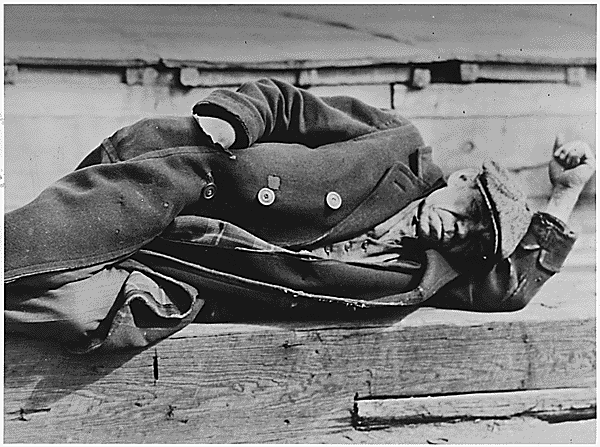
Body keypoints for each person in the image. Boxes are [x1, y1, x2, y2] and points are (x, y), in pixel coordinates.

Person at [5, 79, 595, 353]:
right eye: (468, 212)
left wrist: (565, 192)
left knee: (78, 312)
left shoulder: (422, 275)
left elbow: (509, 288)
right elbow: (288, 103)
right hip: (178, 180)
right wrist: (236, 120)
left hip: (188, 269)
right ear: (463, 180)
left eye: (473, 238)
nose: (458, 230)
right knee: (35, 248)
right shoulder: (394, 144)